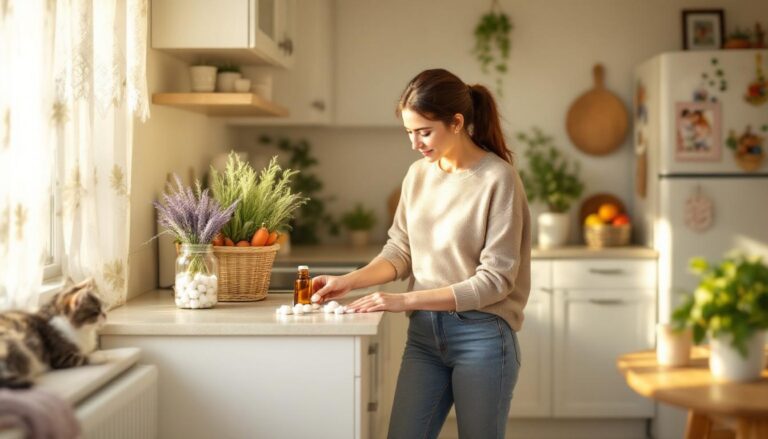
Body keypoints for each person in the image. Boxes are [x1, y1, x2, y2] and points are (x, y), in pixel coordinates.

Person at [310, 68, 531, 439]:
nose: (415, 143)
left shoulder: (498, 178)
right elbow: (400, 250)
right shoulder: (417, 174)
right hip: (425, 337)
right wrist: (348, 281)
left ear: (456, 122)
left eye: (424, 132)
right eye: (409, 132)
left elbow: (496, 281)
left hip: (482, 336)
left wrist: (402, 300)